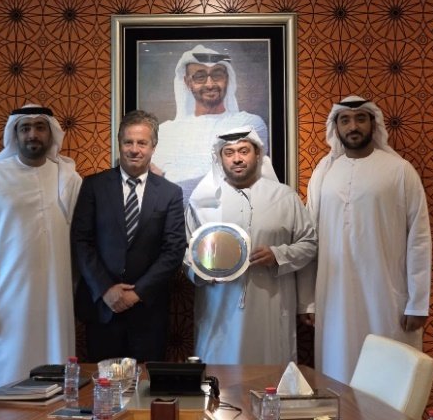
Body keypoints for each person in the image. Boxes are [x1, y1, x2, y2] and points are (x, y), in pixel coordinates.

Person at [306, 95, 432, 384]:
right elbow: (310, 239)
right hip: (333, 297)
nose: (353, 126)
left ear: (373, 124)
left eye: (360, 119)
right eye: (345, 120)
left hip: (385, 296)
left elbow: (419, 238)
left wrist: (417, 303)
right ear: (336, 127)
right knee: (337, 370)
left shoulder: (400, 170)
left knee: (387, 375)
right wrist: (309, 302)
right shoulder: (324, 172)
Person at [0, 104, 82, 399]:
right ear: (14, 134)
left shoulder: (69, 180)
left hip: (55, 303)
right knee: (3, 380)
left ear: (51, 133)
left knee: (53, 379)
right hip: (3, 304)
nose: (32, 135)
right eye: (25, 128)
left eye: (40, 127)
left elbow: (82, 244)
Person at [184, 126, 317, 364]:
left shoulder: (285, 197)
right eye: (229, 152)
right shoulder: (202, 201)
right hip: (218, 308)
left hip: (270, 305)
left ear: (257, 154)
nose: (237, 158)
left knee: (270, 370)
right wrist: (203, 271)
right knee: (219, 372)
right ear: (220, 158)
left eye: (244, 151)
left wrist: (277, 255)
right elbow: (186, 252)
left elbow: (309, 243)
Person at [71, 110, 186, 362]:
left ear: (153, 146)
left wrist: (136, 293)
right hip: (103, 309)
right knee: (101, 382)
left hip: (148, 311)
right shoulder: (93, 185)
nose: (134, 149)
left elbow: (174, 249)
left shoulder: (170, 193)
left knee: (145, 383)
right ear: (119, 144)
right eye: (128, 142)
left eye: (142, 143)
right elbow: (81, 242)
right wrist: (105, 289)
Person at [151, 44, 270, 203]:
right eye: (200, 76)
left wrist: (168, 177)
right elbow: (152, 188)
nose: (210, 84)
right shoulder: (166, 131)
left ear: (227, 79)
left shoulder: (248, 124)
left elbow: (233, 180)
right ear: (187, 82)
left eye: (217, 75)